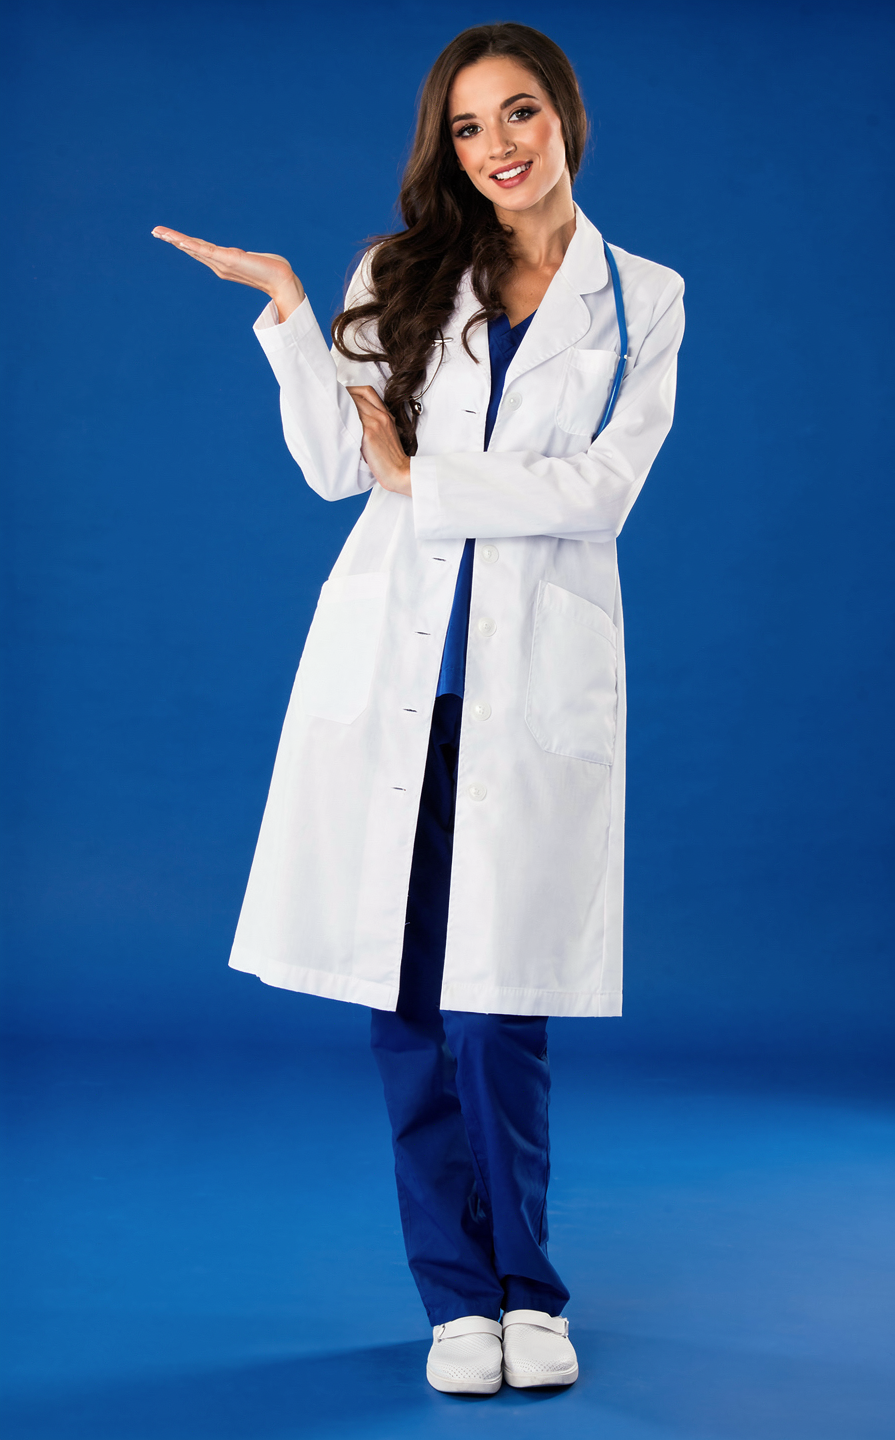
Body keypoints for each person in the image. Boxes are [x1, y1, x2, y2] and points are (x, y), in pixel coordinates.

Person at [153, 20, 684, 1397]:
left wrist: (424, 481)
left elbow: (600, 494)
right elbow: (343, 465)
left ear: (565, 117)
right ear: (445, 148)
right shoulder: (399, 273)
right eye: (468, 126)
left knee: (501, 1008)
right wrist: (289, 315)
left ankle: (530, 1292)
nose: (498, 146)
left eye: (520, 113)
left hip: (530, 691)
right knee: (403, 1007)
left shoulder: (643, 298)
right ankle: (455, 1299)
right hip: (399, 677)